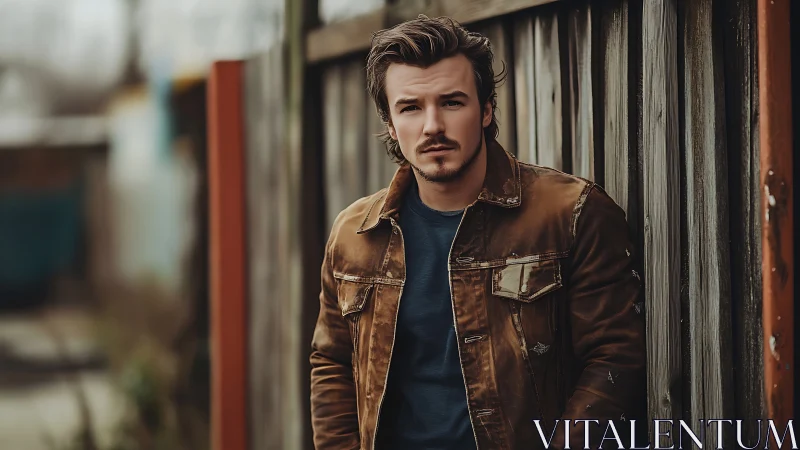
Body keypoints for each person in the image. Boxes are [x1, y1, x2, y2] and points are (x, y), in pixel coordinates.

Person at [310, 15, 646, 450]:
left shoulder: (571, 214)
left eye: (452, 102)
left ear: (486, 109)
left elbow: (614, 358)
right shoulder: (356, 234)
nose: (432, 126)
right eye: (411, 107)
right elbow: (332, 361)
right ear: (391, 125)